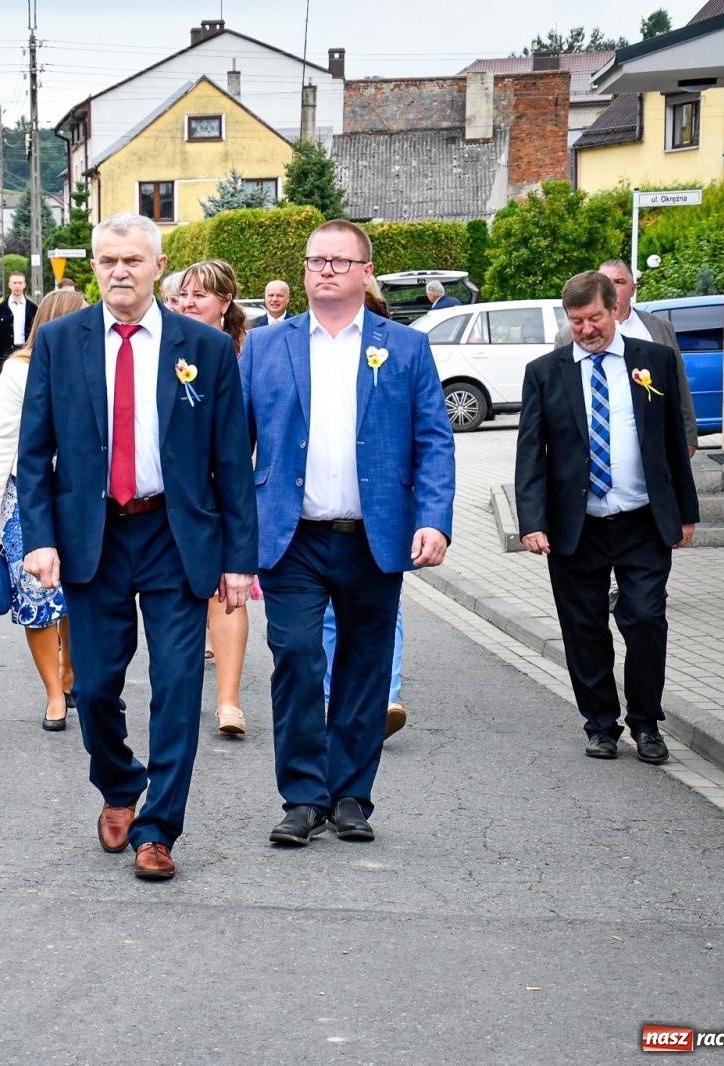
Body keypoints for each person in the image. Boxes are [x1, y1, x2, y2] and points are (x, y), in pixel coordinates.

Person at [18, 212, 258, 882]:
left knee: (179, 685)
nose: (118, 272)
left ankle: (159, 830)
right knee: (93, 686)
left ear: (158, 266)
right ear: (94, 268)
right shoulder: (61, 342)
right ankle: (120, 782)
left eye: (131, 260)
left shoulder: (202, 349)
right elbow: (35, 453)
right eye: (106, 261)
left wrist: (240, 558)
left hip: (175, 536)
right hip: (94, 536)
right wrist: (39, 538)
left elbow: (231, 460)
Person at [241, 219, 455, 848]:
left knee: (365, 666)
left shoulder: (406, 348)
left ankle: (353, 796)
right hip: (292, 538)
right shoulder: (265, 347)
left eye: (339, 261)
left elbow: (433, 442)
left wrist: (434, 520)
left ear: (366, 272)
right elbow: (235, 449)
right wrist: (233, 541)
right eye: (315, 261)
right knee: (299, 661)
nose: (325, 270)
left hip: (373, 536)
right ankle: (304, 797)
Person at [515, 270, 699, 765]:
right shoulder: (545, 372)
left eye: (594, 317)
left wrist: (686, 511)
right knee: (583, 627)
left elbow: (671, 445)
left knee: (645, 620)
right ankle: (600, 724)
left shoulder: (653, 362)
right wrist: (531, 521)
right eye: (576, 321)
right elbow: (531, 452)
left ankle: (645, 722)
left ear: (615, 308)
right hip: (577, 524)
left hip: (642, 518)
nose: (587, 329)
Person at [0, 288, 85, 732]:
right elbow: (5, 435)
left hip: (82, 491)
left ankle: (72, 671)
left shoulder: (92, 361)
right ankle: (54, 693)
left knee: (78, 590)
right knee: (35, 593)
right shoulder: (19, 369)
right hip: (29, 491)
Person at [176, 258, 252, 736]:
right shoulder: (166, 351)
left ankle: (228, 701)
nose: (188, 302)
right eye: (182, 294)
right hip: (180, 496)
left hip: (225, 492)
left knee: (229, 596)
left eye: (199, 295)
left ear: (224, 303)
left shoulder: (245, 355)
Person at [552, 260, 697, 458]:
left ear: (632, 289)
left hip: (654, 442)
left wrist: (688, 436)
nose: (611, 287)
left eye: (619, 281)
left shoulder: (658, 327)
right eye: (605, 281)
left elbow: (678, 384)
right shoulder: (568, 336)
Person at [0, 271, 36, 372]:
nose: (17, 286)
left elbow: (37, 332)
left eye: (20, 283)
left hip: (26, 352)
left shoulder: (32, 308)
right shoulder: (0, 309)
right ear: (9, 285)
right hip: (6, 353)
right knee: (7, 384)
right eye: (14, 283)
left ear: (24, 285)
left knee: (25, 383)